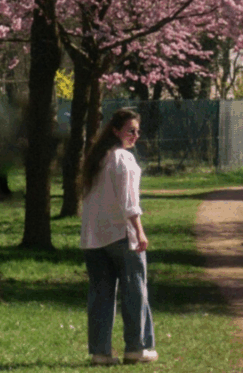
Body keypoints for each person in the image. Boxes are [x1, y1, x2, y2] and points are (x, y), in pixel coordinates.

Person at [79, 108, 158, 366]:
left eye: (137, 131)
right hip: (120, 234)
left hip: (94, 237)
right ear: (116, 131)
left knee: (101, 293)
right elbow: (129, 202)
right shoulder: (123, 159)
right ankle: (137, 347)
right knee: (135, 289)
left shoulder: (96, 159)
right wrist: (140, 231)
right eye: (130, 130)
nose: (135, 135)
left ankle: (100, 352)